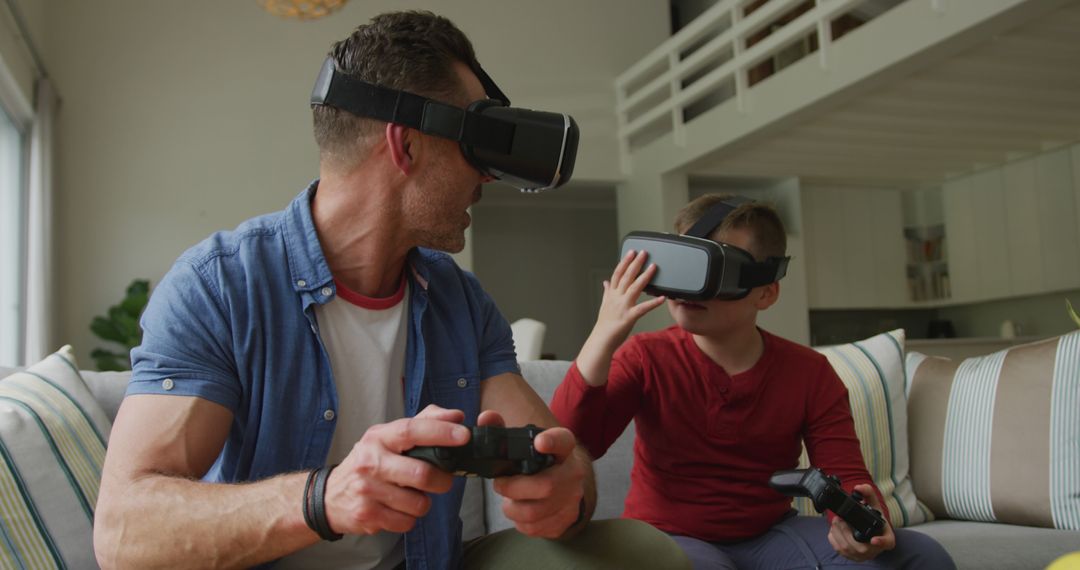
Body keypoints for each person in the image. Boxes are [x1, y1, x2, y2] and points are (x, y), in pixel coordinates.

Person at [93, 11, 688, 570]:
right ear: (406, 145)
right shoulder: (220, 288)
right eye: (475, 146)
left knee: (638, 549)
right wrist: (321, 500)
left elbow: (557, 453)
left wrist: (567, 489)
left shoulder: (460, 300)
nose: (486, 175)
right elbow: (124, 531)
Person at [550, 194, 956, 569]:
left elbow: (845, 473)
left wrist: (861, 519)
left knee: (922, 557)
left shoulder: (809, 373)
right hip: (668, 536)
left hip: (769, 534)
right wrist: (602, 338)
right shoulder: (645, 356)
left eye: (715, 270)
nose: (690, 288)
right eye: (685, 266)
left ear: (766, 292)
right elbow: (573, 442)